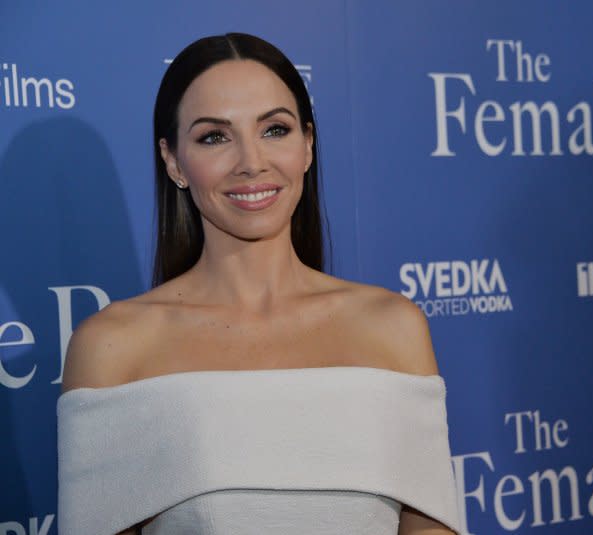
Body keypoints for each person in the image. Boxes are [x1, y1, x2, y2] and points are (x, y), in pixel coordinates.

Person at [56, 33, 461, 535]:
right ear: (174, 161)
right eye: (214, 137)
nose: (251, 161)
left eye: (274, 129)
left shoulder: (392, 328)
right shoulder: (114, 346)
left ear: (308, 146)